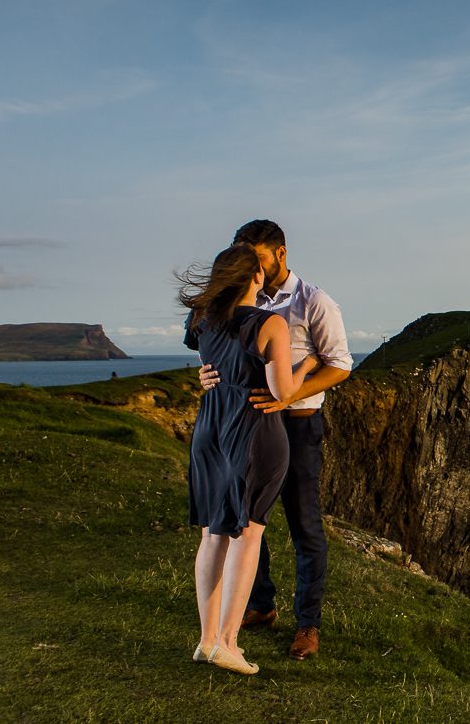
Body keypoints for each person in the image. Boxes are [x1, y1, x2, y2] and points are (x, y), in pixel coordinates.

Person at [198, 220, 352, 661]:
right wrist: (206, 375)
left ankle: (308, 625)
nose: (252, 266)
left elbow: (340, 365)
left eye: (258, 258)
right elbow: (218, 352)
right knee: (247, 520)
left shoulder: (315, 302)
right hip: (246, 426)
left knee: (304, 525)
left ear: (280, 254)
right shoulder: (236, 301)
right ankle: (261, 606)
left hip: (299, 425)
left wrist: (285, 394)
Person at [178, 243, 317, 675]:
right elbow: (281, 393)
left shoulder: (202, 320)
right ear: (256, 277)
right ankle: (229, 643)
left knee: (212, 534)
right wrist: (308, 362)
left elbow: (207, 362)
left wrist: (207, 374)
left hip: (210, 428)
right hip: (253, 430)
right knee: (248, 534)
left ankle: (207, 640)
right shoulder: (268, 323)